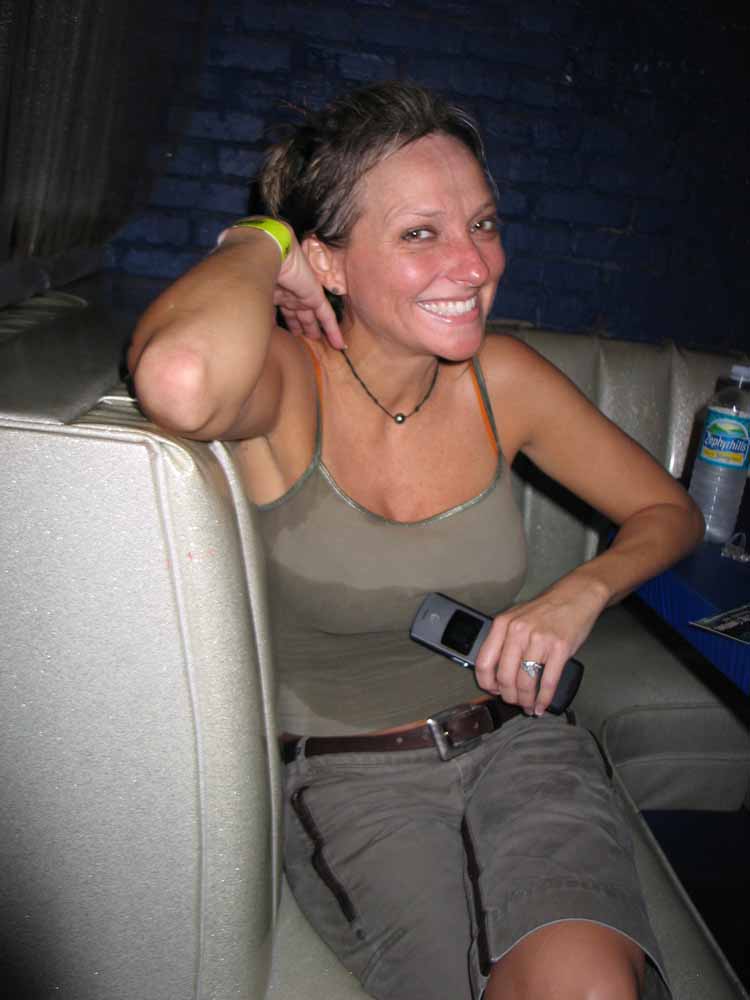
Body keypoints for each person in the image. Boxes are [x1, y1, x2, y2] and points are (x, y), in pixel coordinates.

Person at [128, 82, 704, 1000]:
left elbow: (670, 512)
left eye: (483, 224)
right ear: (329, 261)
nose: (473, 265)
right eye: (420, 233)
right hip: (349, 782)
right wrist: (262, 240)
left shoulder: (502, 378)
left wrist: (578, 594)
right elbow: (181, 378)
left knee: (589, 989)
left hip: (521, 745)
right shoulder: (288, 382)